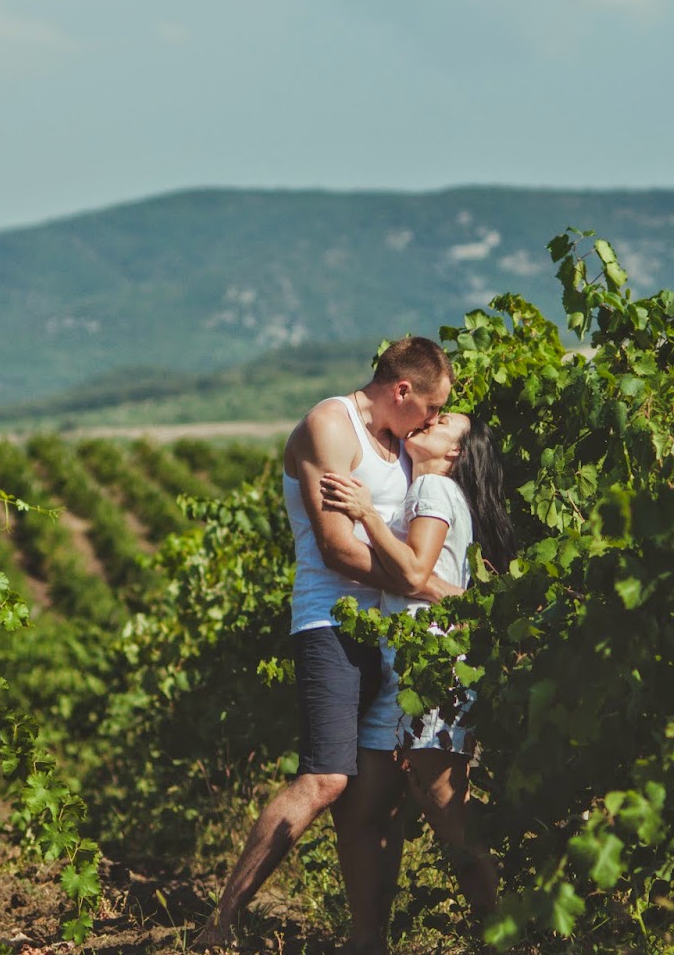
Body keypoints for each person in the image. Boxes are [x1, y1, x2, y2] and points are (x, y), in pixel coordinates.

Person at [193, 336, 456, 953]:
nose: (434, 419)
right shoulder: (329, 426)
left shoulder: (401, 441)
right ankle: (219, 923)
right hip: (331, 623)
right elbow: (338, 548)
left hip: (391, 627)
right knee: (326, 778)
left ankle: (369, 941)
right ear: (401, 391)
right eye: (430, 406)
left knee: (377, 793)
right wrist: (425, 584)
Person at [320, 412, 517, 925]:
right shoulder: (430, 489)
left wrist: (364, 514)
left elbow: (413, 572)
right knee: (364, 809)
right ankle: (369, 939)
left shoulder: (432, 485)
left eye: (446, 422)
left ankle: (506, 924)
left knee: (445, 806)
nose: (432, 420)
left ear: (455, 452)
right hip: (407, 672)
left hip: (432, 673)